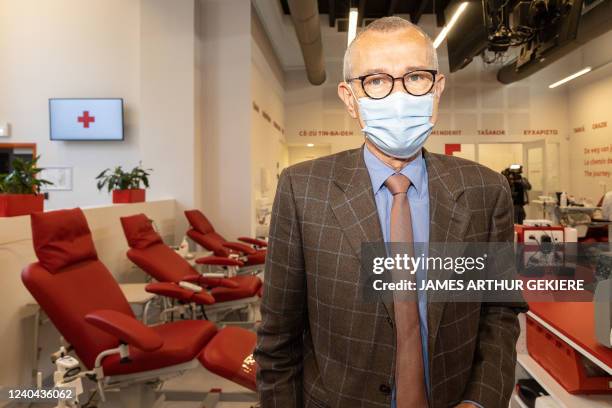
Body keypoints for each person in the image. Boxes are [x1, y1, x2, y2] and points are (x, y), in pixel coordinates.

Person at [255, 16, 526, 408]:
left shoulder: (485, 190)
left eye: (415, 77)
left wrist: (481, 401)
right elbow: (278, 339)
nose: (400, 96)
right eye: (377, 81)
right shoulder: (303, 189)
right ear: (350, 99)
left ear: (437, 89)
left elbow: (498, 313)